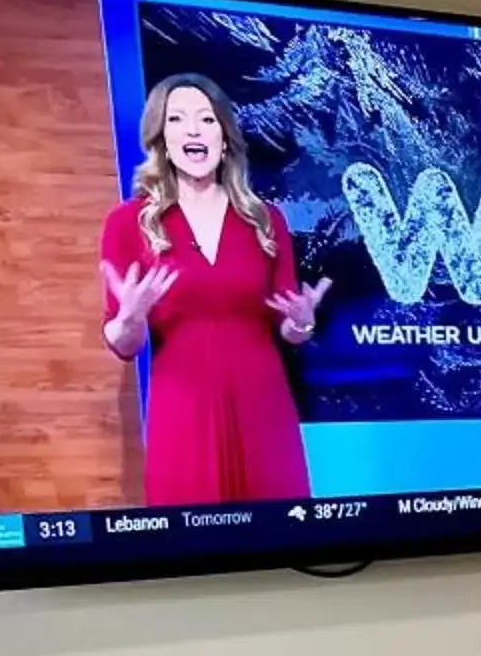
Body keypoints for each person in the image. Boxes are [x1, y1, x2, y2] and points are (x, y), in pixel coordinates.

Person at [98, 75, 331, 505]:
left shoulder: (266, 219)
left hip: (262, 404)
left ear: (224, 138)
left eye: (206, 119)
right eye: (178, 119)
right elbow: (123, 344)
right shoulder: (129, 223)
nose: (193, 130)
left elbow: (288, 325)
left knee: (281, 534)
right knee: (193, 541)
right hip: (182, 407)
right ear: (161, 139)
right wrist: (129, 318)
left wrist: (301, 323)